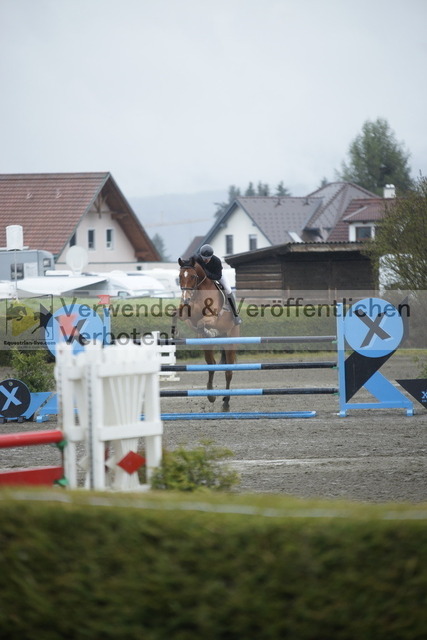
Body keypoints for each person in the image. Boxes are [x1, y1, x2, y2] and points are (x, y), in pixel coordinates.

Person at [193, 244, 242, 324]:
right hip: (203, 277)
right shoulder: (197, 259)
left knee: (228, 289)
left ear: (211, 256)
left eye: (208, 258)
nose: (205, 260)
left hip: (217, 274)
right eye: (204, 258)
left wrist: (207, 274)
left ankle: (235, 315)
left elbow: (218, 276)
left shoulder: (216, 261)